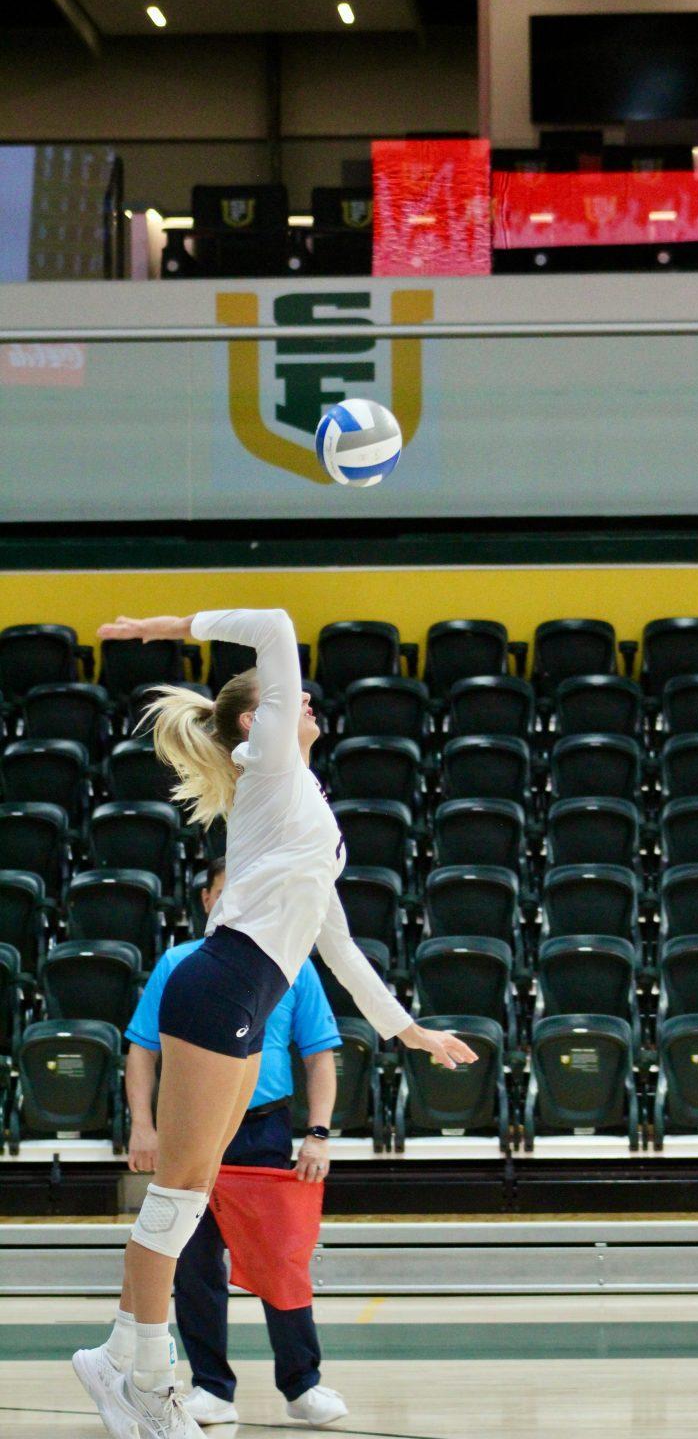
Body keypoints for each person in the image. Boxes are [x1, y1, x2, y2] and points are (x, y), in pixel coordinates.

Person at [73, 607, 477, 1439]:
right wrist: (172, 623)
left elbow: (338, 945)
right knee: (176, 1198)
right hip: (221, 987)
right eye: (299, 701)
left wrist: (410, 1032)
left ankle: (123, 1360)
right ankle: (142, 1381)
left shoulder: (307, 811)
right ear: (259, 720)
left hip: (245, 999)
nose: (313, 709)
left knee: (183, 1201)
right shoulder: (271, 773)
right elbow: (279, 625)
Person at [125, 856, 349, 1428]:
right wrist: (144, 1125)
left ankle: (302, 1384)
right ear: (206, 900)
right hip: (195, 1125)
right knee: (195, 1263)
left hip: (265, 1129)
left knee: (280, 1260)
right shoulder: (179, 965)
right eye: (223, 891)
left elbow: (320, 1055)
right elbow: (142, 1050)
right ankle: (212, 1387)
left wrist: (318, 1133)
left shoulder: (294, 967)